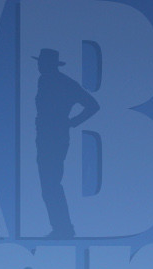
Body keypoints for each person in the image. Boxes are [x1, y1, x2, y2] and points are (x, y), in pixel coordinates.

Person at [33, 48, 100, 238]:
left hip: (55, 137)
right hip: (45, 136)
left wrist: (72, 122)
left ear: (49, 64)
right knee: (48, 184)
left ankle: (63, 228)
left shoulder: (64, 83)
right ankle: (61, 227)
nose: (39, 66)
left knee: (51, 183)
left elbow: (93, 105)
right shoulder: (44, 81)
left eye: (42, 63)